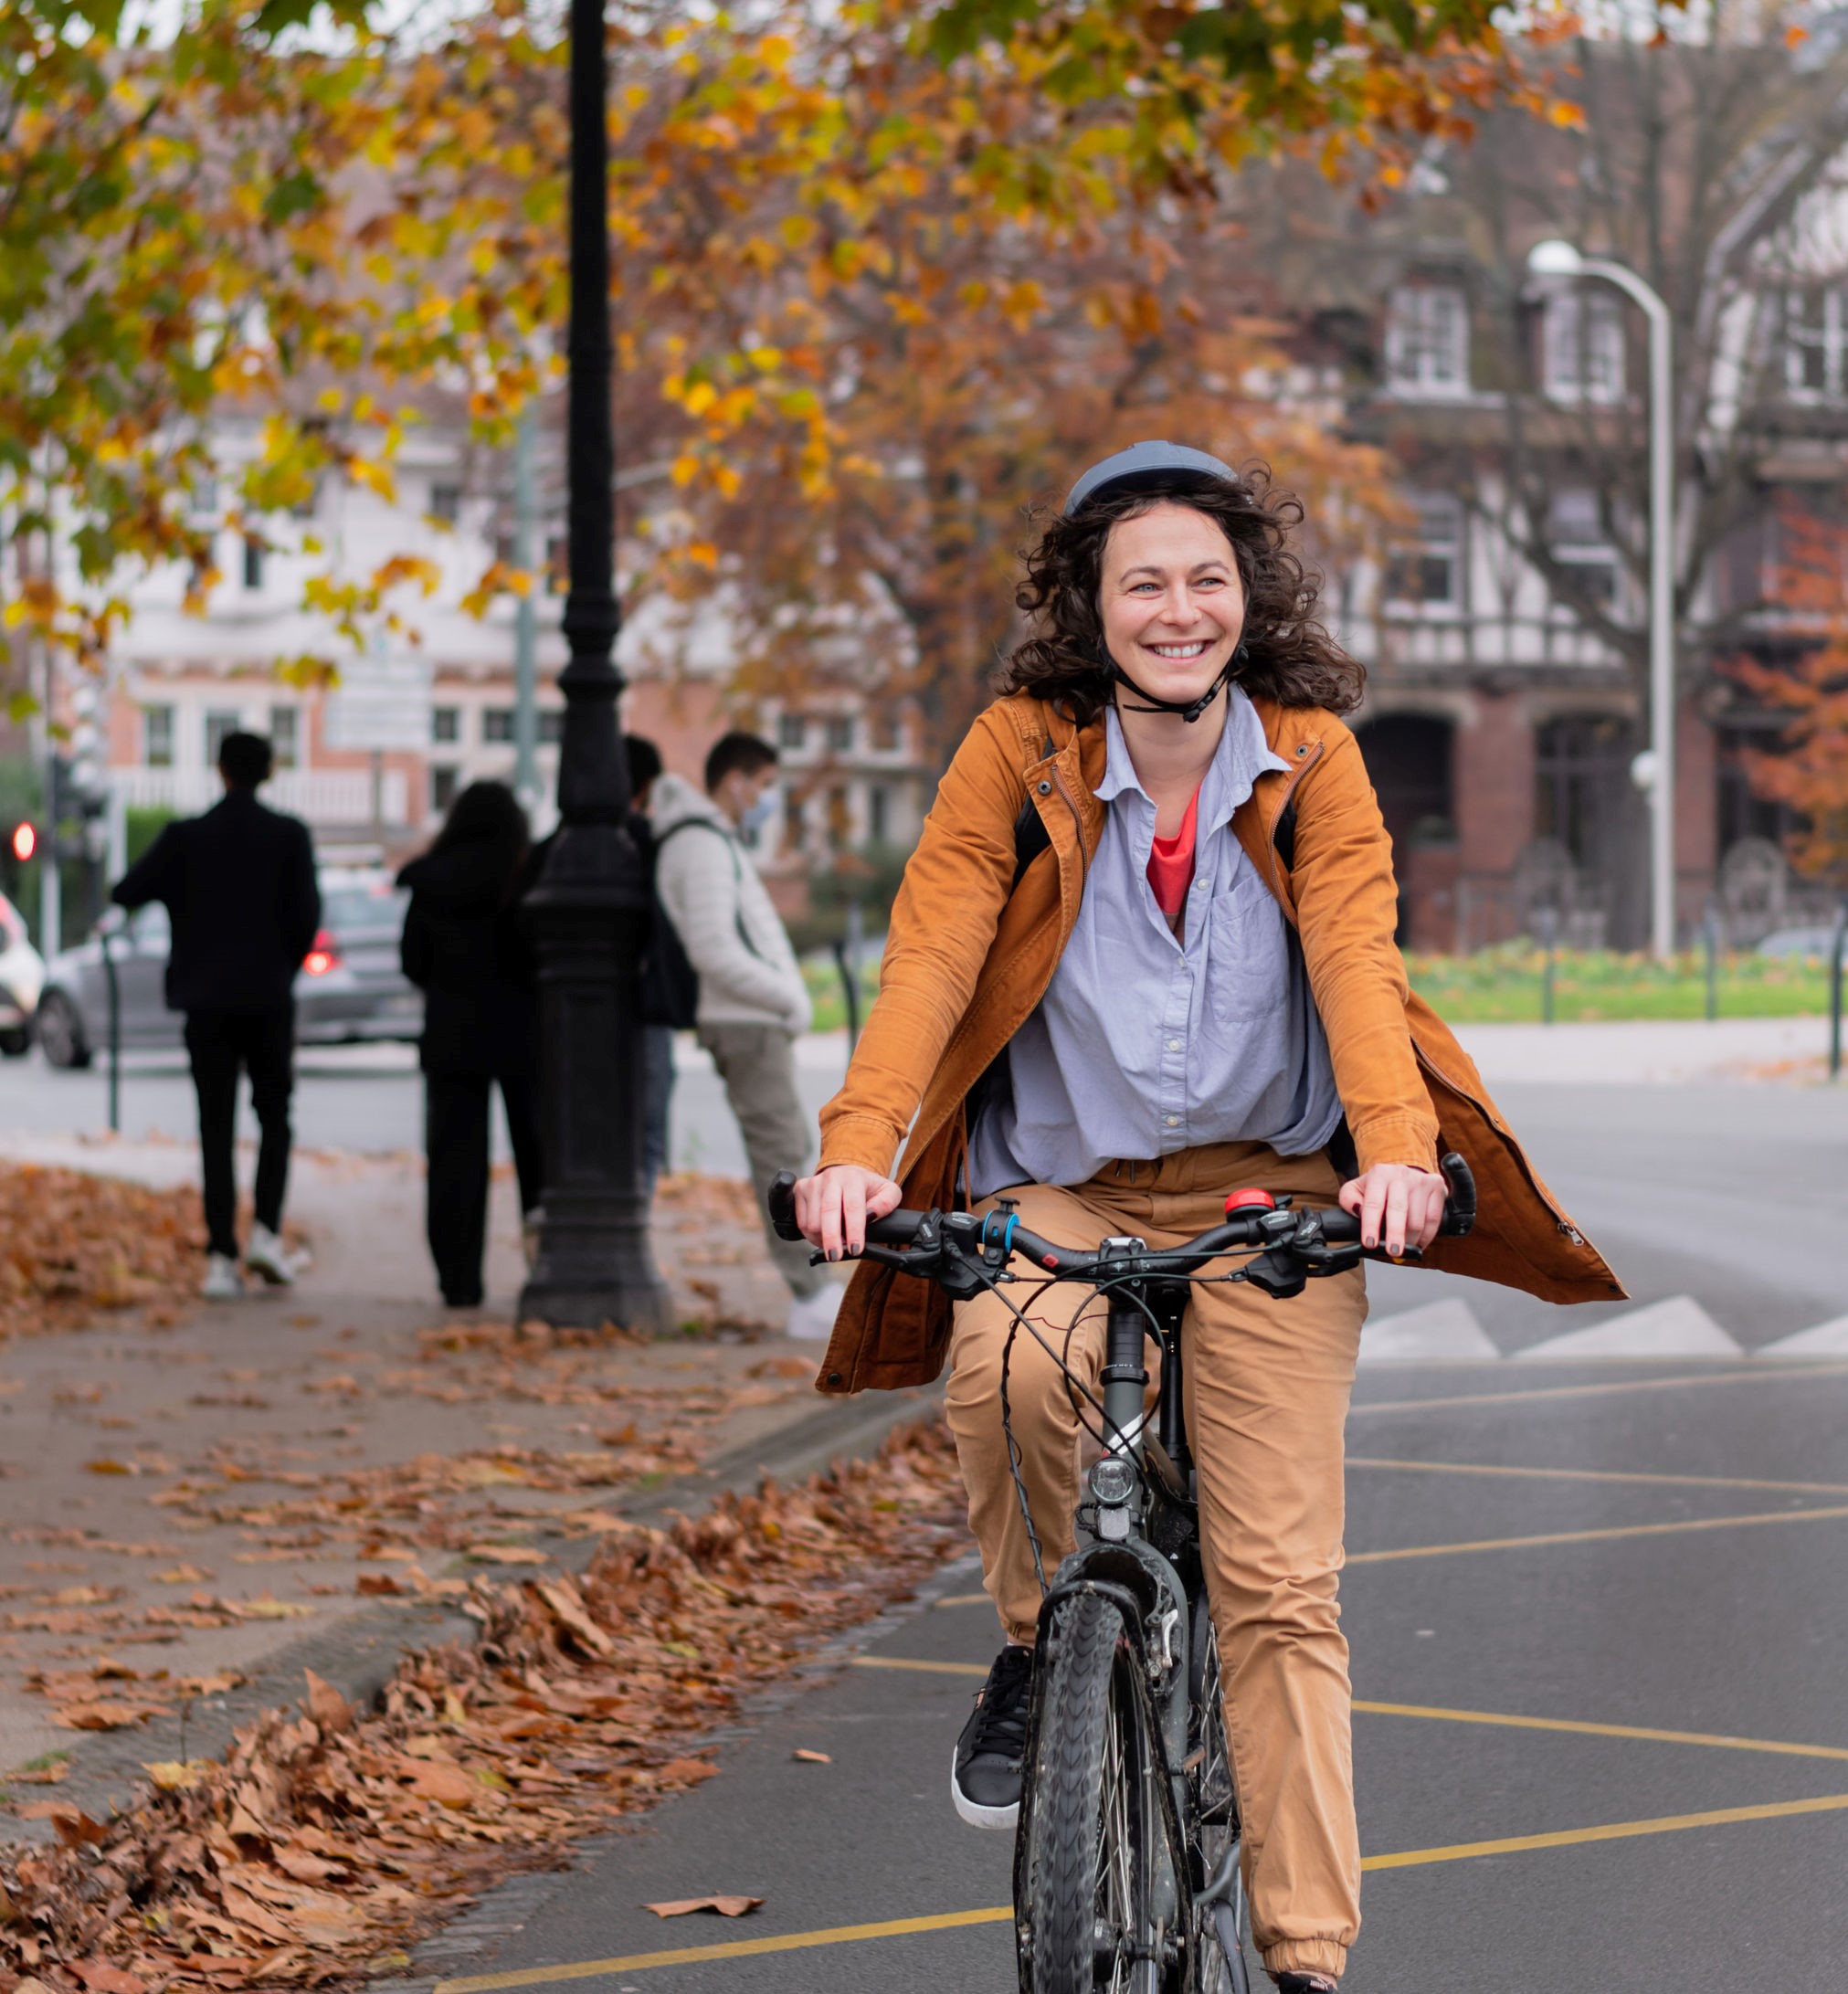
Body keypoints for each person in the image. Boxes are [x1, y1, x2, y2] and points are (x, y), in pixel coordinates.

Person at [788, 443, 1620, 1991]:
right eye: (1143, 582)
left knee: (1276, 1587)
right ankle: (1049, 1644)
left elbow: (1359, 968)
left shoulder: (1308, 757)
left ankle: (1303, 1953)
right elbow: (931, 956)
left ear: (1250, 596)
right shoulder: (1015, 750)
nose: (1177, 609)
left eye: (1205, 578)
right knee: (1008, 1371)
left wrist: (1393, 1157)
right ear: (1087, 605)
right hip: (1065, 1178)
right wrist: (855, 1149)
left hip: (1275, 1194)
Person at [113, 729, 320, 1300]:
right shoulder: (288, 837)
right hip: (268, 998)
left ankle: (220, 1257)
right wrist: (280, 966)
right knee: (275, 1116)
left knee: (215, 1126)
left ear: (220, 769)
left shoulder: (187, 838)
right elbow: (306, 917)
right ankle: (266, 1232)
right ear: (268, 771)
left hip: (205, 1001)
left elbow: (126, 890)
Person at [650, 731, 837, 1340]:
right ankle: (807, 1294)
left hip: (752, 1020)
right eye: (761, 786)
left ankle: (810, 1291)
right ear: (735, 779)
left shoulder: (710, 841)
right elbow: (713, 947)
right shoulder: (701, 845)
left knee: (783, 1150)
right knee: (780, 1155)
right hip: (745, 1021)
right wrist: (786, 997)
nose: (763, 799)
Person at [397, 782, 544, 1309]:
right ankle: (543, 1271)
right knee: (538, 1158)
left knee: (453, 1163)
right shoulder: (527, 876)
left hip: (452, 1033)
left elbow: (412, 961)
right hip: (525, 1035)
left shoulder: (432, 880)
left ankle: (459, 1283)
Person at [625, 734, 676, 1195]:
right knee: (648, 1121)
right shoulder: (652, 845)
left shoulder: (559, 847)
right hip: (644, 1002)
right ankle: (638, 1211)